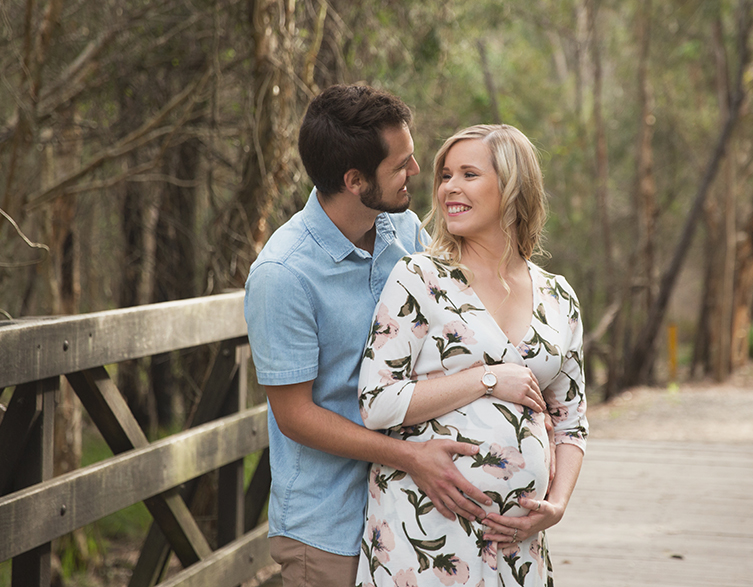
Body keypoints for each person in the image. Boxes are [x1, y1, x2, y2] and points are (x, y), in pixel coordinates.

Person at [244, 85, 498, 587]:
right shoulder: (282, 275)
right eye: (400, 165)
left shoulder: (404, 231)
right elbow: (294, 416)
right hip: (330, 526)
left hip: (410, 511)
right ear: (355, 180)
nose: (417, 171)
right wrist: (411, 457)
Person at [355, 124, 589, 587]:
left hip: (518, 548)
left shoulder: (558, 296)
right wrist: (487, 379)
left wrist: (557, 505)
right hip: (423, 536)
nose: (449, 188)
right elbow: (376, 402)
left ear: (513, 186)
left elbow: (572, 421)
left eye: (468, 174)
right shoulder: (419, 277)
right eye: (445, 176)